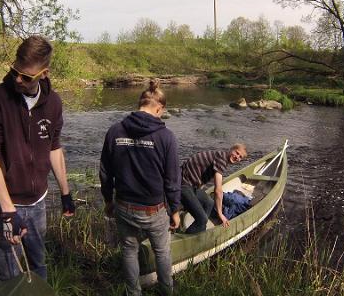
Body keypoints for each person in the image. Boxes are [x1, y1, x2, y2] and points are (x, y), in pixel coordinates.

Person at [0, 35, 75, 282]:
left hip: (38, 201)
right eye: (15, 71)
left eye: (27, 77)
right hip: (2, 203)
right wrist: (8, 212)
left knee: (37, 264)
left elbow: (54, 147)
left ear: (44, 73)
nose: (18, 79)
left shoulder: (53, 103)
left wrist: (65, 193)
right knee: (9, 272)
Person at [99, 80, 181, 296]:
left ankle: (133, 293)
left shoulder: (114, 131)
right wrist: (175, 210)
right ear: (159, 108)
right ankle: (166, 292)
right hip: (153, 209)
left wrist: (108, 200)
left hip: (124, 206)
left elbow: (105, 172)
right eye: (163, 112)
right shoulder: (166, 137)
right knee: (162, 252)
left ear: (140, 104)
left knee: (129, 251)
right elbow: (172, 180)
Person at [180, 144, 247, 234]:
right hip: (182, 184)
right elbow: (218, 191)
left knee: (209, 202)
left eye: (240, 157)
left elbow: (202, 174)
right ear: (231, 149)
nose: (237, 157)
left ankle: (200, 230)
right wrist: (220, 214)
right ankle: (188, 241)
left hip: (191, 185)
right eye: (237, 153)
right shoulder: (221, 160)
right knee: (202, 218)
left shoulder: (220, 155)